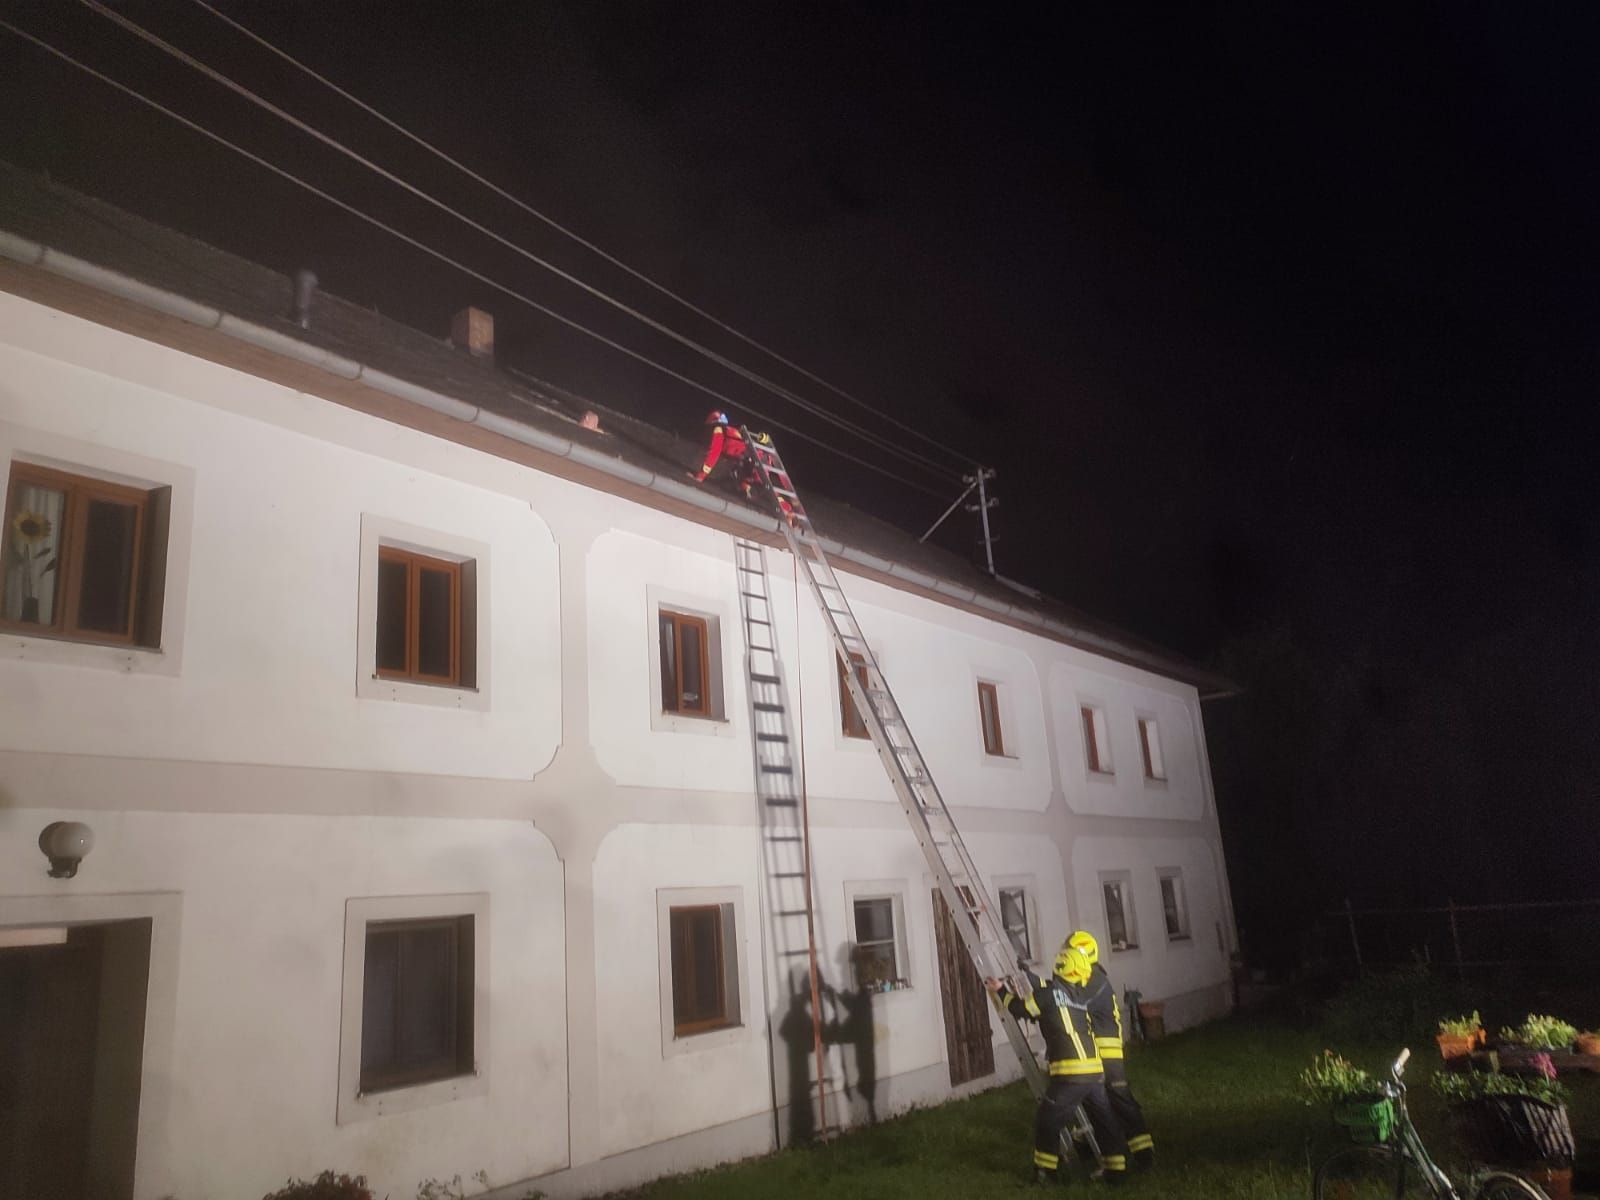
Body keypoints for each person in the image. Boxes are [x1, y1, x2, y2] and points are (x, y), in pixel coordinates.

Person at [986, 945, 1128, 1186]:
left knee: (1048, 1118)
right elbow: (1048, 997)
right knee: (1103, 1119)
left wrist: (1000, 991)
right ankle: (1117, 1170)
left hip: (1070, 1073)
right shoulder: (1080, 996)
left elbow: (1021, 1008)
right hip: (1094, 1071)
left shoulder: (1047, 995)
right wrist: (1028, 975)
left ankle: (1045, 1173)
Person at [1069, 930, 1154, 1169]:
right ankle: (1088, 1144)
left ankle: (1143, 1152)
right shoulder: (1088, 977)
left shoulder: (1094, 980)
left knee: (1119, 1098)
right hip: (1098, 1051)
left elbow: (1074, 1001)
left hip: (1108, 1053)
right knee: (1094, 1098)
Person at [689, 410, 795, 518]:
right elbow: (736, 452)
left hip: (754, 459)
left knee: (765, 486)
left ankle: (787, 510)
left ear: (712, 424)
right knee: (742, 477)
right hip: (754, 458)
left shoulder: (719, 431)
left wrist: (700, 476)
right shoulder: (730, 431)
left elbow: (714, 453)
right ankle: (751, 493)